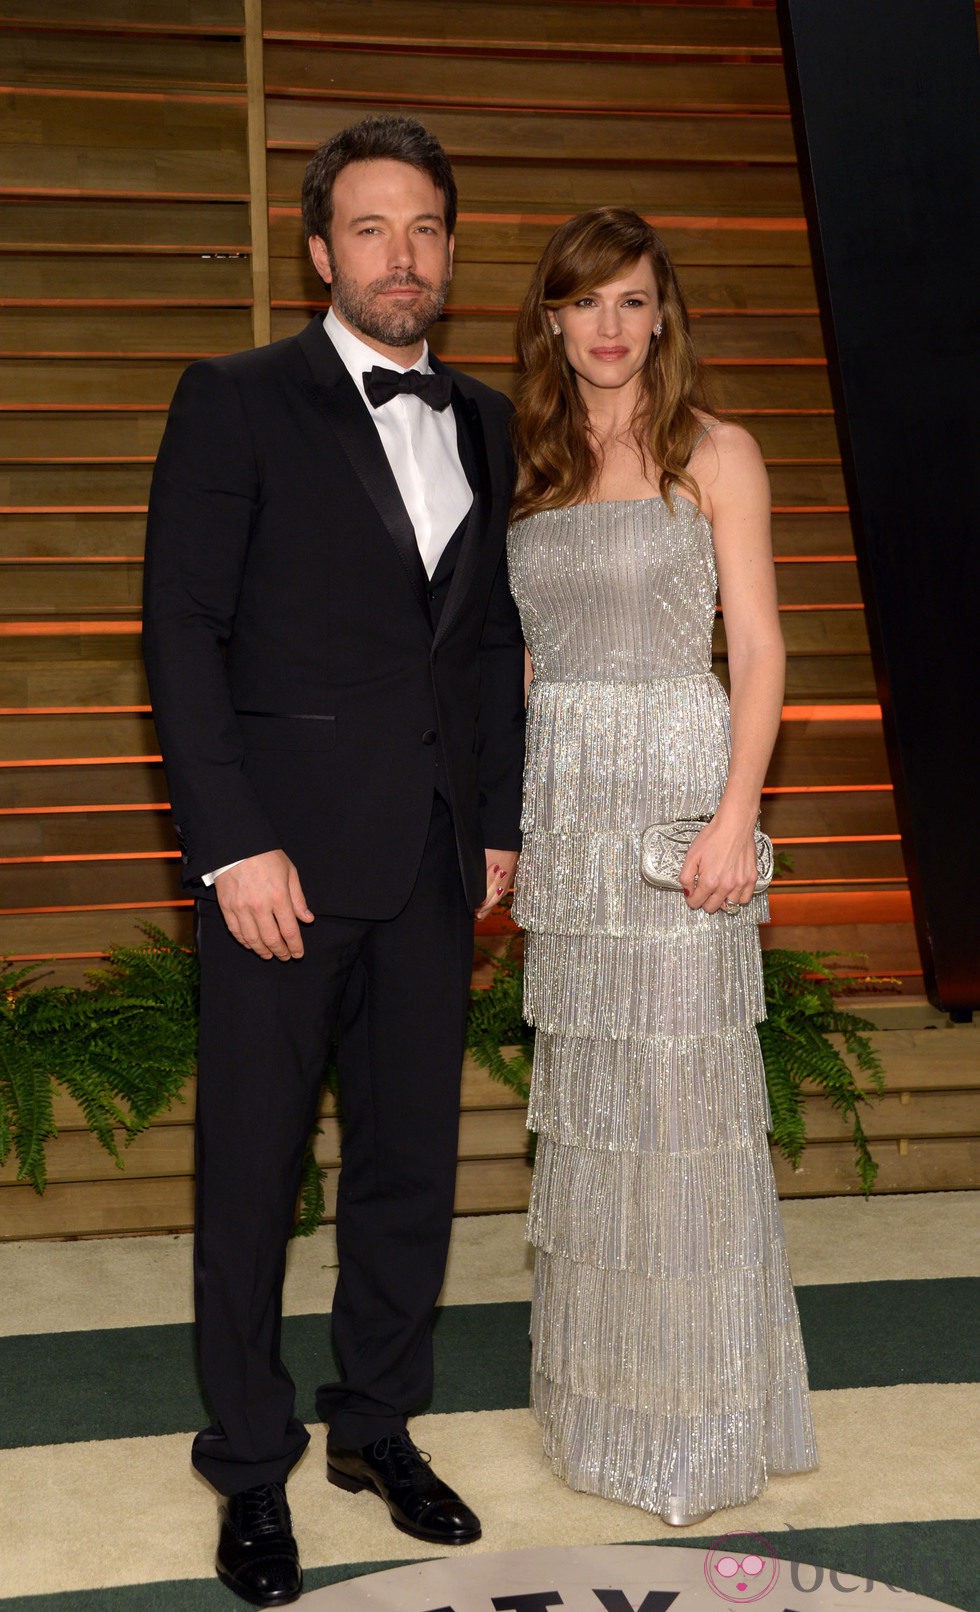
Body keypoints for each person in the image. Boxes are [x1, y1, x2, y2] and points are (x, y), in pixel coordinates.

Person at [142, 114, 525, 1608]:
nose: (402, 256)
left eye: (425, 227)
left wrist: (495, 821)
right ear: (320, 251)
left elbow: (486, 640)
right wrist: (229, 840)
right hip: (278, 871)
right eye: (371, 228)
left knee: (409, 1172)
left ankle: (376, 1426)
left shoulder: (483, 416)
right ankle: (249, 1464)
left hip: (433, 864)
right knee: (250, 1175)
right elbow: (181, 629)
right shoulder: (234, 399)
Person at [507, 208, 818, 1525]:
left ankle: (701, 1422)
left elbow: (757, 649)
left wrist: (736, 814)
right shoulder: (529, 468)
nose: (612, 328)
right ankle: (606, 1412)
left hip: (681, 800)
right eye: (586, 304)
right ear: (553, 322)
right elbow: (525, 667)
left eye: (633, 301)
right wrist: (515, 830)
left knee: (688, 1113)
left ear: (662, 314)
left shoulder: (716, 455)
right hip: (569, 819)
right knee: (596, 1115)